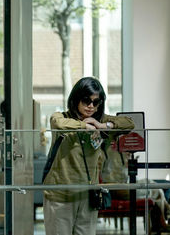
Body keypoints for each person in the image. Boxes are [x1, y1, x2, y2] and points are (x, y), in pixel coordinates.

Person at [42, 77, 134, 235]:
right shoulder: (62, 117)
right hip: (60, 195)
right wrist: (85, 125)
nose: (91, 106)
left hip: (88, 195)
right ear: (76, 99)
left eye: (96, 102)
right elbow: (57, 123)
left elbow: (129, 123)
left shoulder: (100, 120)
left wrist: (104, 125)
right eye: (86, 101)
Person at [101, 141, 170, 233]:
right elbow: (117, 177)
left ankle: (164, 216)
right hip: (117, 188)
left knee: (152, 184)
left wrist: (128, 162)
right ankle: (164, 216)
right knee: (157, 191)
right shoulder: (110, 151)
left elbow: (122, 175)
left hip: (121, 185)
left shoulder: (117, 151)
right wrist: (127, 164)